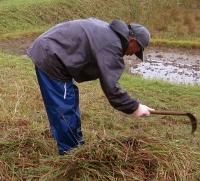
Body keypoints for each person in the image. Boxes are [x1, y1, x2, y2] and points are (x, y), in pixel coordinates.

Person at [27, 18, 154, 155]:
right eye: (136, 50)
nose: (132, 55)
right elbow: (111, 88)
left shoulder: (110, 34)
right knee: (63, 108)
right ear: (132, 41)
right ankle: (70, 154)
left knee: (70, 100)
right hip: (50, 55)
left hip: (57, 53)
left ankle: (77, 145)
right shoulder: (111, 44)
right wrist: (135, 107)